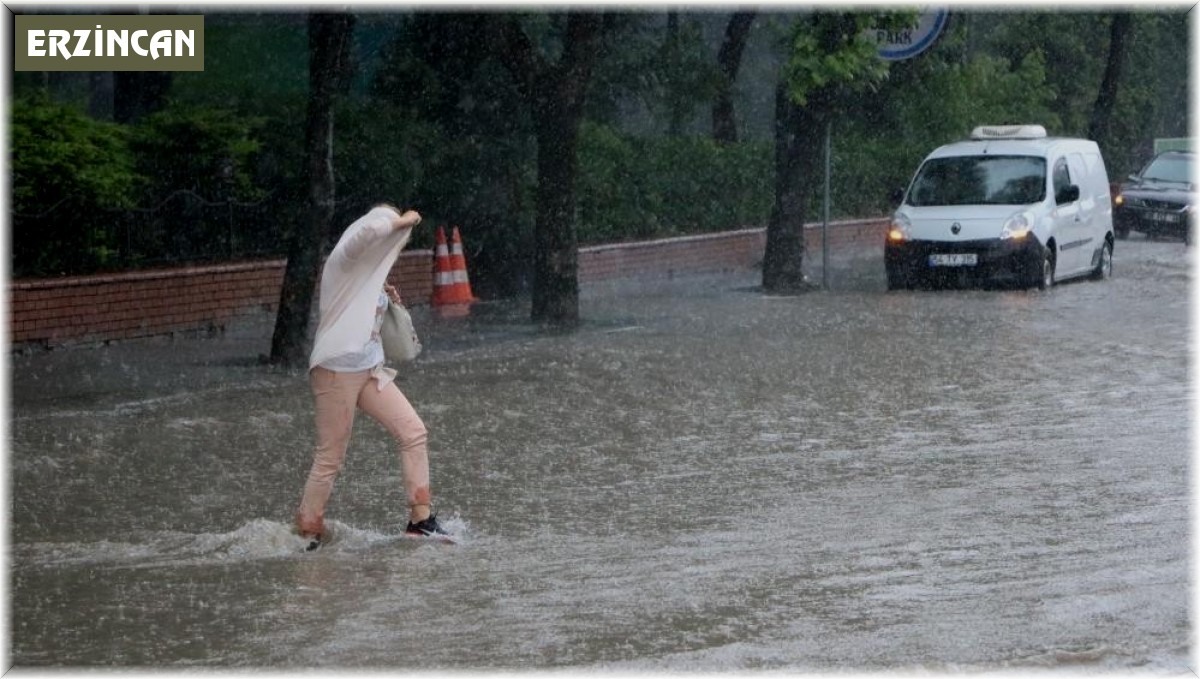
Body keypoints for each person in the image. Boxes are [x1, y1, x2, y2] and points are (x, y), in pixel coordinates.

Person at [296, 203, 448, 551]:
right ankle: (308, 531)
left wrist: (387, 301)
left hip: (369, 371)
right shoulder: (345, 257)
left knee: (413, 431)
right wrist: (402, 219)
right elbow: (369, 234)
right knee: (331, 455)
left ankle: (420, 521)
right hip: (335, 369)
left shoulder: (370, 277)